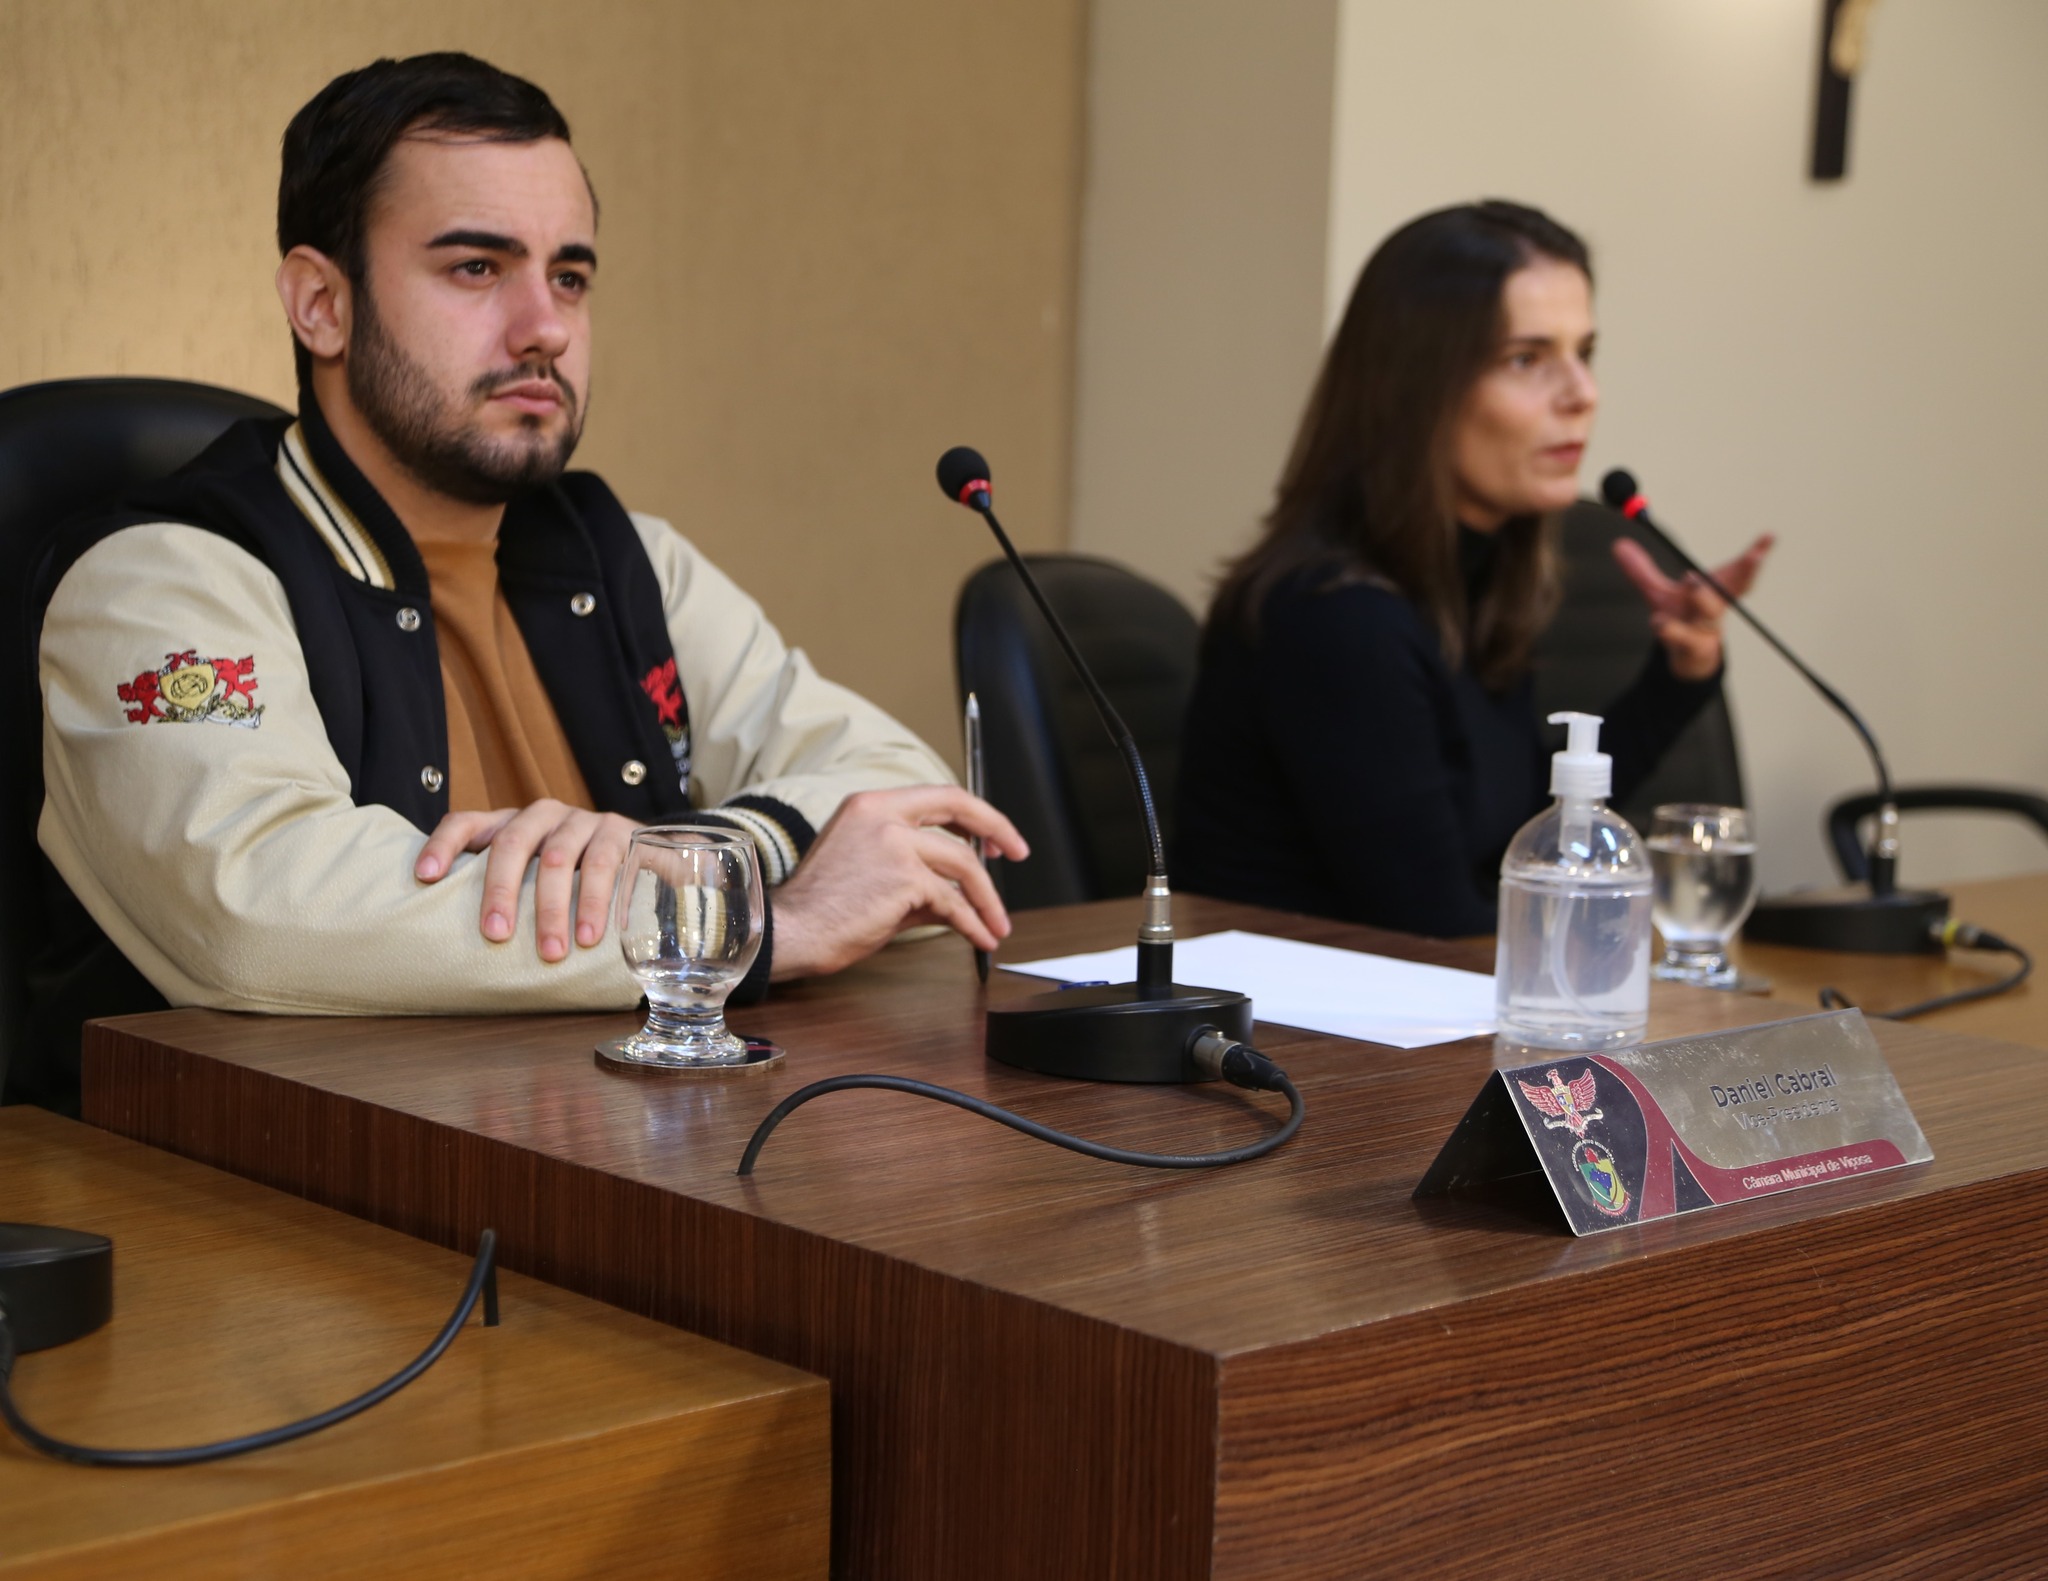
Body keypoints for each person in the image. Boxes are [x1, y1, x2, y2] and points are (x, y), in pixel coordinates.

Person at [19, 53, 1025, 1112]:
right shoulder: (159, 579)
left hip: (604, 1161)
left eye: (571, 277)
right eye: (476, 269)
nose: (545, 326)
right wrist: (747, 918)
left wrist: (691, 855)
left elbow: (901, 801)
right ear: (321, 303)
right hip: (251, 1201)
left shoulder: (619, 554)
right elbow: (254, 910)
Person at [1173, 200, 1770, 937]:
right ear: (1417, 387)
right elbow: (1441, 927)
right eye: (1527, 358)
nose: (1583, 394)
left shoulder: (1471, 581)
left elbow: (1507, 836)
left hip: (1416, 1023)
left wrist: (1679, 676)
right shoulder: (1335, 615)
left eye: (1584, 352)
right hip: (1314, 1043)